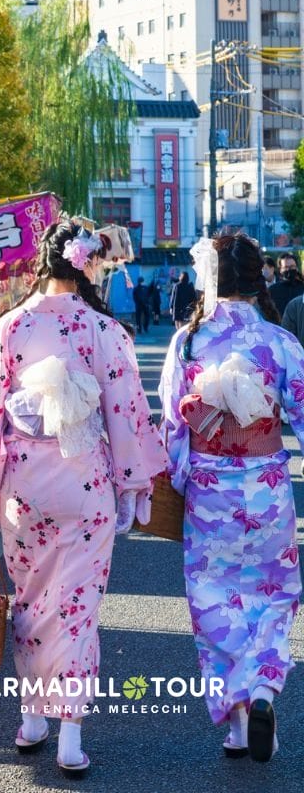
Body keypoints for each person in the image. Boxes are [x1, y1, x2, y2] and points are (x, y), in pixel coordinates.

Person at [0, 219, 167, 778]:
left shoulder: (8, 327)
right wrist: (130, 485)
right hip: (84, 479)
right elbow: (123, 413)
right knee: (77, 607)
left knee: (30, 600)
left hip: (24, 482)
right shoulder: (103, 330)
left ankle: (30, 720)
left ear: (42, 264)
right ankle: (70, 734)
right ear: (86, 265)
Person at [159, 233, 304, 763]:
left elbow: (175, 421)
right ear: (258, 277)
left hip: (211, 488)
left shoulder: (189, 342)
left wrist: (178, 476)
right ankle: (265, 690)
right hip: (267, 488)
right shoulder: (280, 343)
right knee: (272, 592)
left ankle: (240, 725)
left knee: (214, 597)